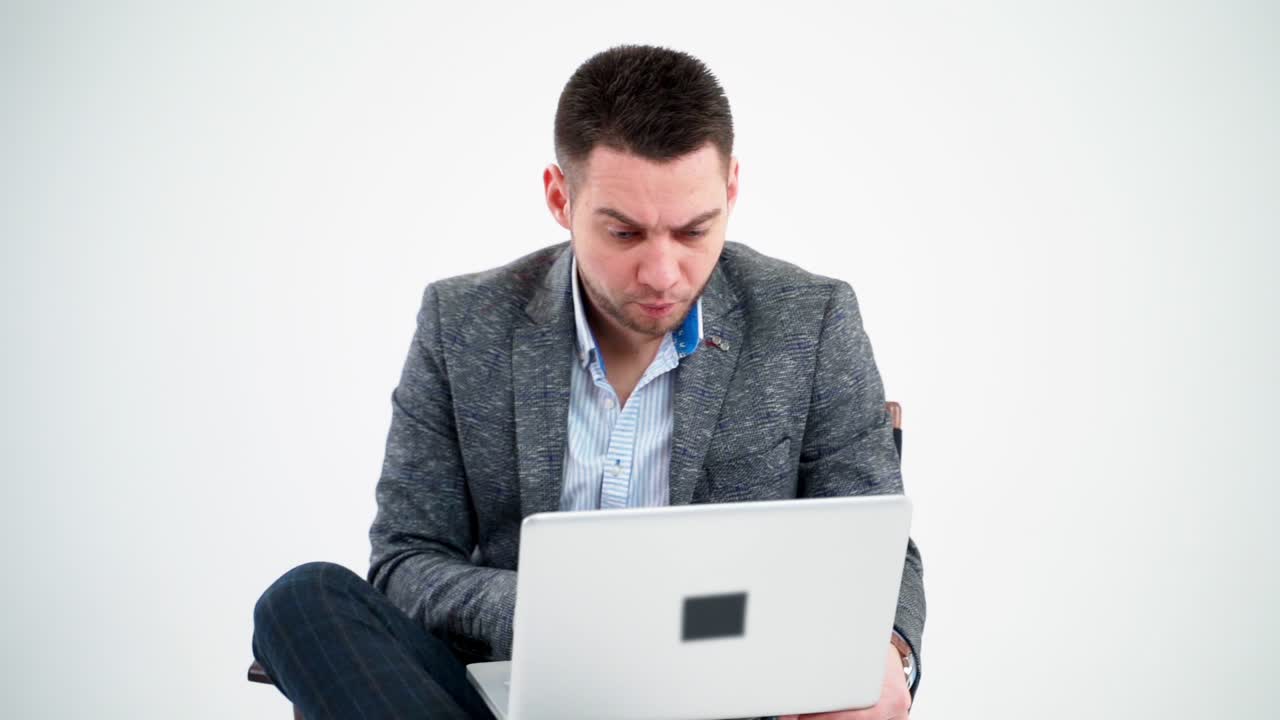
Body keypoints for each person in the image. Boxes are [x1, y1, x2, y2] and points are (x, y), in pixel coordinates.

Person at [252, 44, 925, 720]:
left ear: (731, 191)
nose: (664, 273)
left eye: (695, 230)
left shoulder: (811, 319)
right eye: (625, 233)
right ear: (559, 197)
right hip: (515, 693)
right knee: (302, 601)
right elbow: (405, 563)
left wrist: (890, 652)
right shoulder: (462, 323)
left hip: (720, 703)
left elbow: (875, 548)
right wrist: (565, 615)